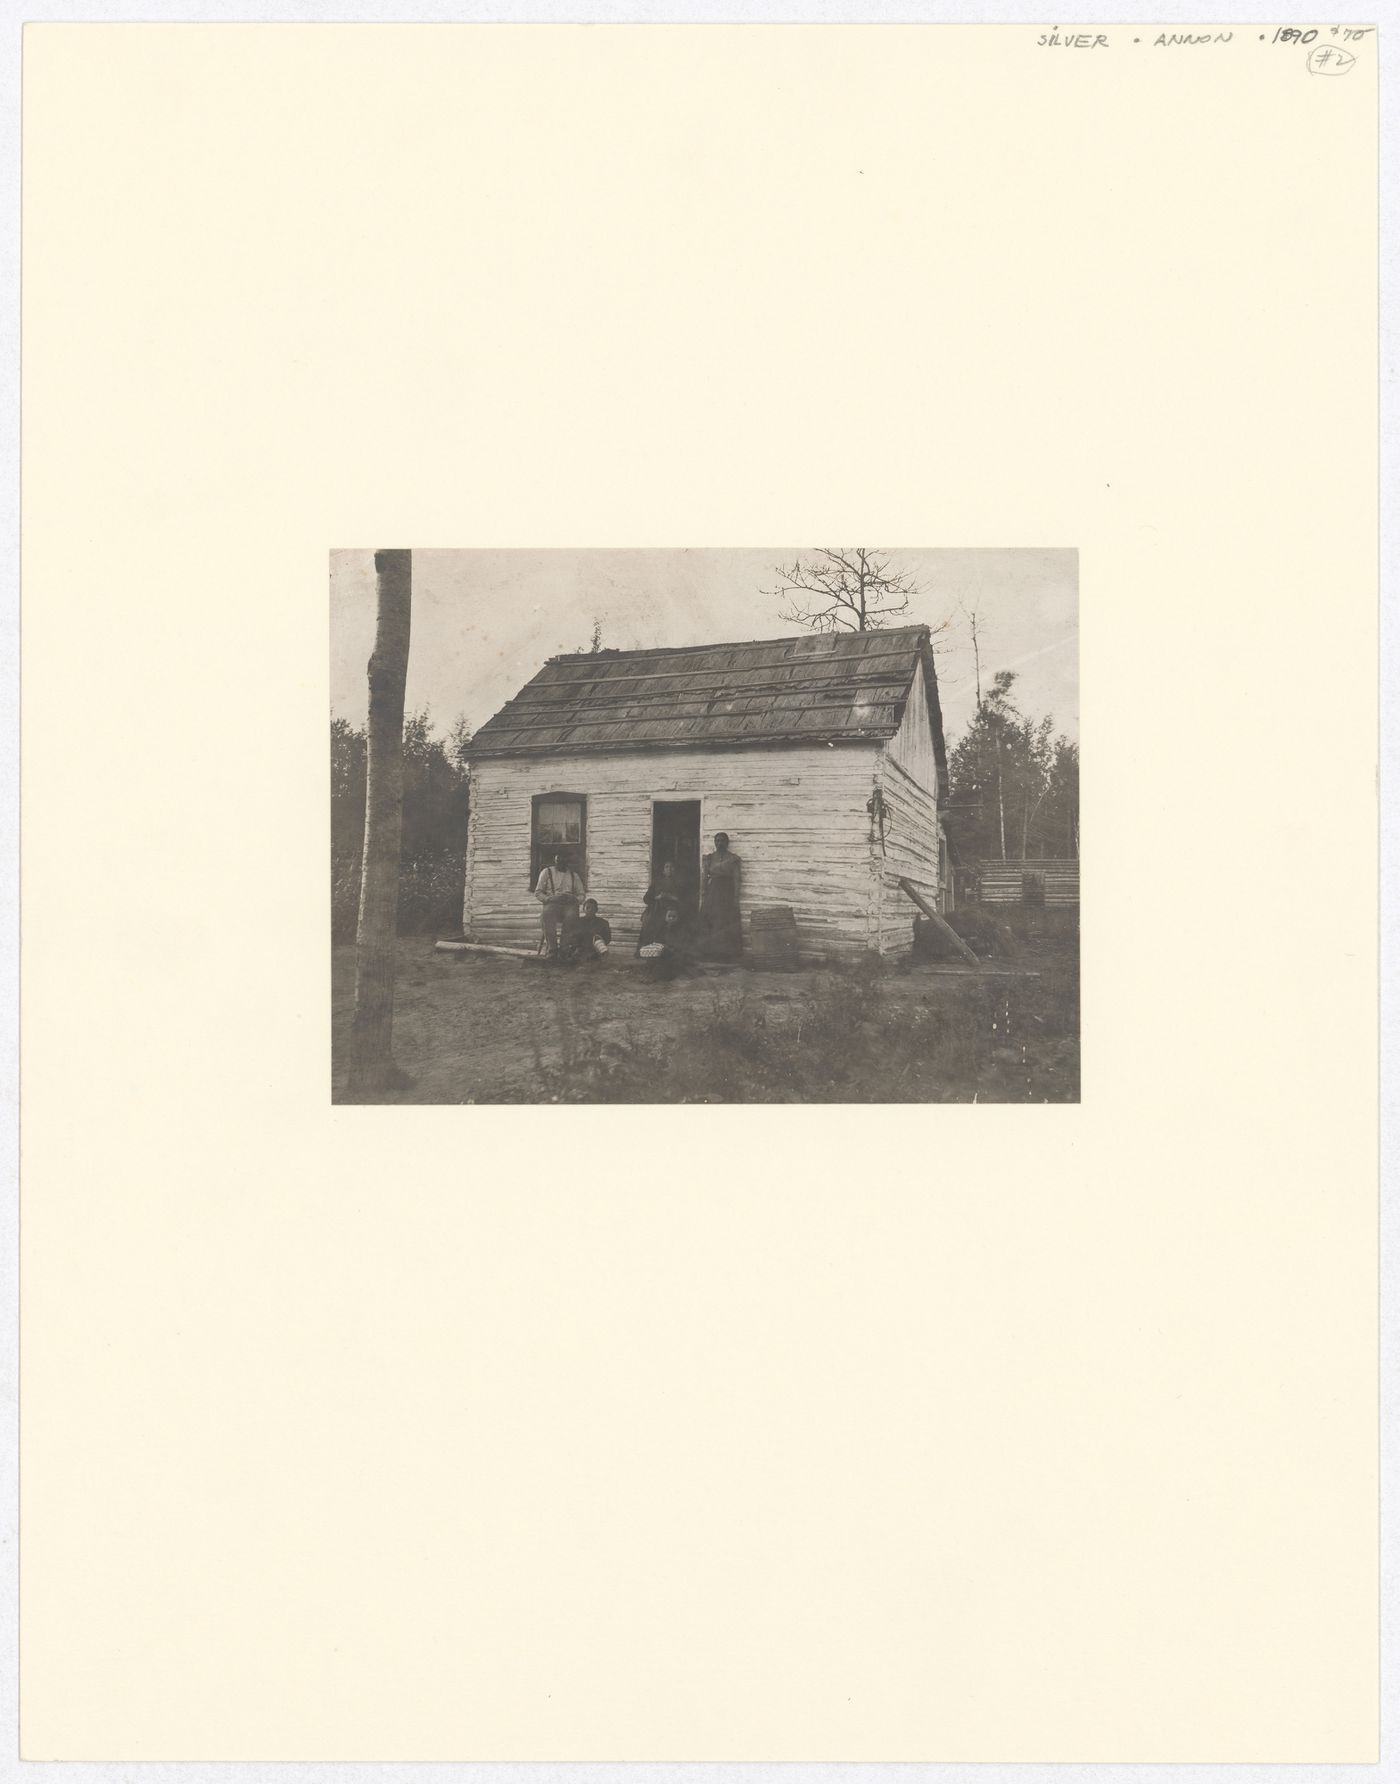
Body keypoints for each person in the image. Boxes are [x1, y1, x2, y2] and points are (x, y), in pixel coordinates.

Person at [533, 850, 585, 959]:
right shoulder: (546, 872)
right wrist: (549, 899)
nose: (560, 864)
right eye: (558, 861)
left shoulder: (573, 875)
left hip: (569, 905)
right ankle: (552, 949)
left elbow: (581, 895)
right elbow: (538, 892)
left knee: (572, 917)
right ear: (555, 860)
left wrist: (573, 899)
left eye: (563, 862)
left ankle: (564, 949)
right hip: (552, 903)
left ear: (567, 862)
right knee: (546, 915)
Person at [698, 831, 743, 959]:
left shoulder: (733, 858)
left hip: (727, 892)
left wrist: (735, 898)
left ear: (727, 843)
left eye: (722, 840)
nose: (720, 843)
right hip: (713, 891)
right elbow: (704, 877)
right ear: (714, 843)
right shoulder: (710, 858)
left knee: (725, 921)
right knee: (711, 920)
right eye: (717, 840)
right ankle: (709, 953)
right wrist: (703, 893)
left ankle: (726, 954)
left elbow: (737, 878)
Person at [638, 900, 699, 981]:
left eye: (674, 917)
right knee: (651, 961)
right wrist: (656, 945)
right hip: (662, 953)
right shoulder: (662, 928)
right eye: (669, 916)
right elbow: (657, 939)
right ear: (665, 917)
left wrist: (668, 947)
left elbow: (681, 945)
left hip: (675, 956)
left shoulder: (681, 929)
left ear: (678, 918)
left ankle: (654, 976)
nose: (671, 918)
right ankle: (648, 975)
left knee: (664, 969)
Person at [560, 898, 611, 965]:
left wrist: (599, 942)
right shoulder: (578, 922)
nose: (590, 910)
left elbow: (607, 938)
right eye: (588, 908)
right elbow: (573, 937)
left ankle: (594, 957)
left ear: (596, 910)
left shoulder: (603, 923)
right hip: (581, 947)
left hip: (595, 948)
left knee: (596, 954)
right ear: (583, 909)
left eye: (593, 908)